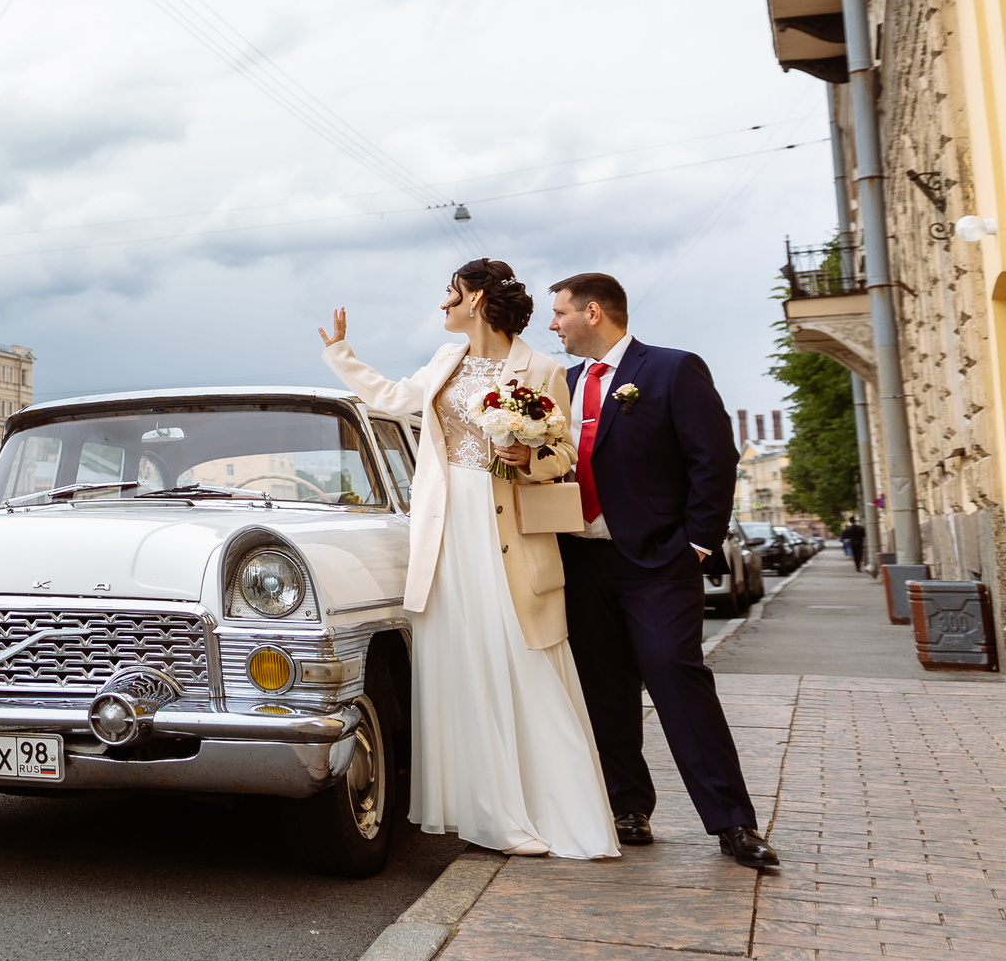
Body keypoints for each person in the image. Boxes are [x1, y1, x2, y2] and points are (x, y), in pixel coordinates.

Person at [321, 258, 618, 860]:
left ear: (477, 299)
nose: (443, 304)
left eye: (451, 294)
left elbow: (563, 454)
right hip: (445, 525)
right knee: (462, 658)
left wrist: (527, 457)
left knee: (518, 654)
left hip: (504, 524)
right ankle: (488, 810)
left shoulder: (542, 369)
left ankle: (544, 807)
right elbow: (394, 398)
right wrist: (342, 356)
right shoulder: (444, 360)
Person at [547, 273, 778, 870]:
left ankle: (733, 821)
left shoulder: (673, 370)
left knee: (676, 675)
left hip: (657, 562)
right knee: (603, 688)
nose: (553, 324)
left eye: (560, 313)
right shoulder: (561, 385)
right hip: (580, 560)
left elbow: (713, 459)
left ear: (592, 313)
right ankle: (628, 807)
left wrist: (696, 544)